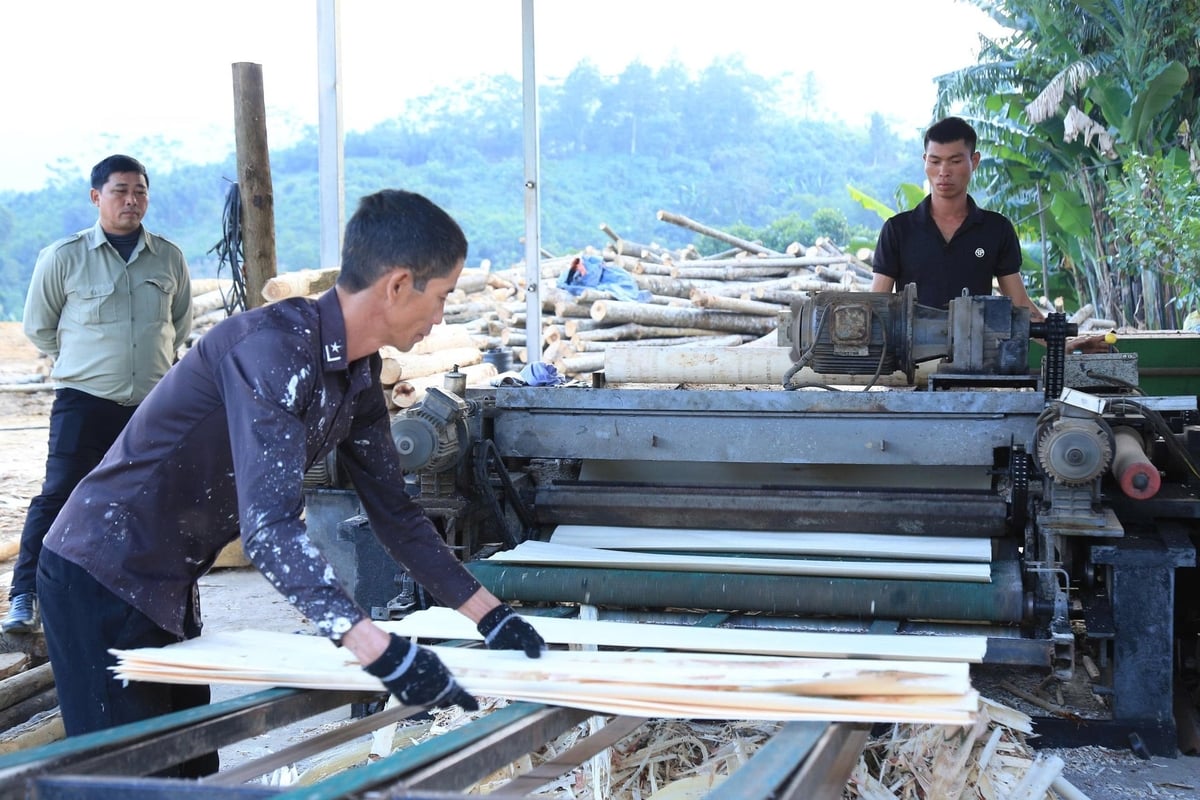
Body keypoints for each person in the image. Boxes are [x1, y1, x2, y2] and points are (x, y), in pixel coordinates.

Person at [36, 188, 545, 778]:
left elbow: (397, 514)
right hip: (98, 571)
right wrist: (377, 649)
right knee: (122, 784)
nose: (440, 317)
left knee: (188, 774)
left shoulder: (358, 371)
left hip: (167, 583)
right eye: (442, 297)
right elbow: (270, 531)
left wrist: (490, 616)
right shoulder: (273, 349)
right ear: (399, 284)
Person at [4, 154, 193, 634]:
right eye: (120, 191)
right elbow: (40, 328)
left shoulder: (168, 257)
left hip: (150, 406)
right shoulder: (64, 257)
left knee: (155, 502)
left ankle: (159, 605)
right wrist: (87, 366)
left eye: (140, 191)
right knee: (59, 495)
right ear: (96, 197)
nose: (132, 200)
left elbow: (179, 326)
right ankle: (25, 595)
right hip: (84, 402)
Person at [871, 116, 1045, 321]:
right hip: (908, 352)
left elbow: (1020, 304)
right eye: (935, 161)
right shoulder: (897, 230)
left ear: (975, 161)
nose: (944, 172)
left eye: (955, 161)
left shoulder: (996, 229)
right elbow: (876, 306)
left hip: (980, 350)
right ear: (925, 161)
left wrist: (1058, 340)